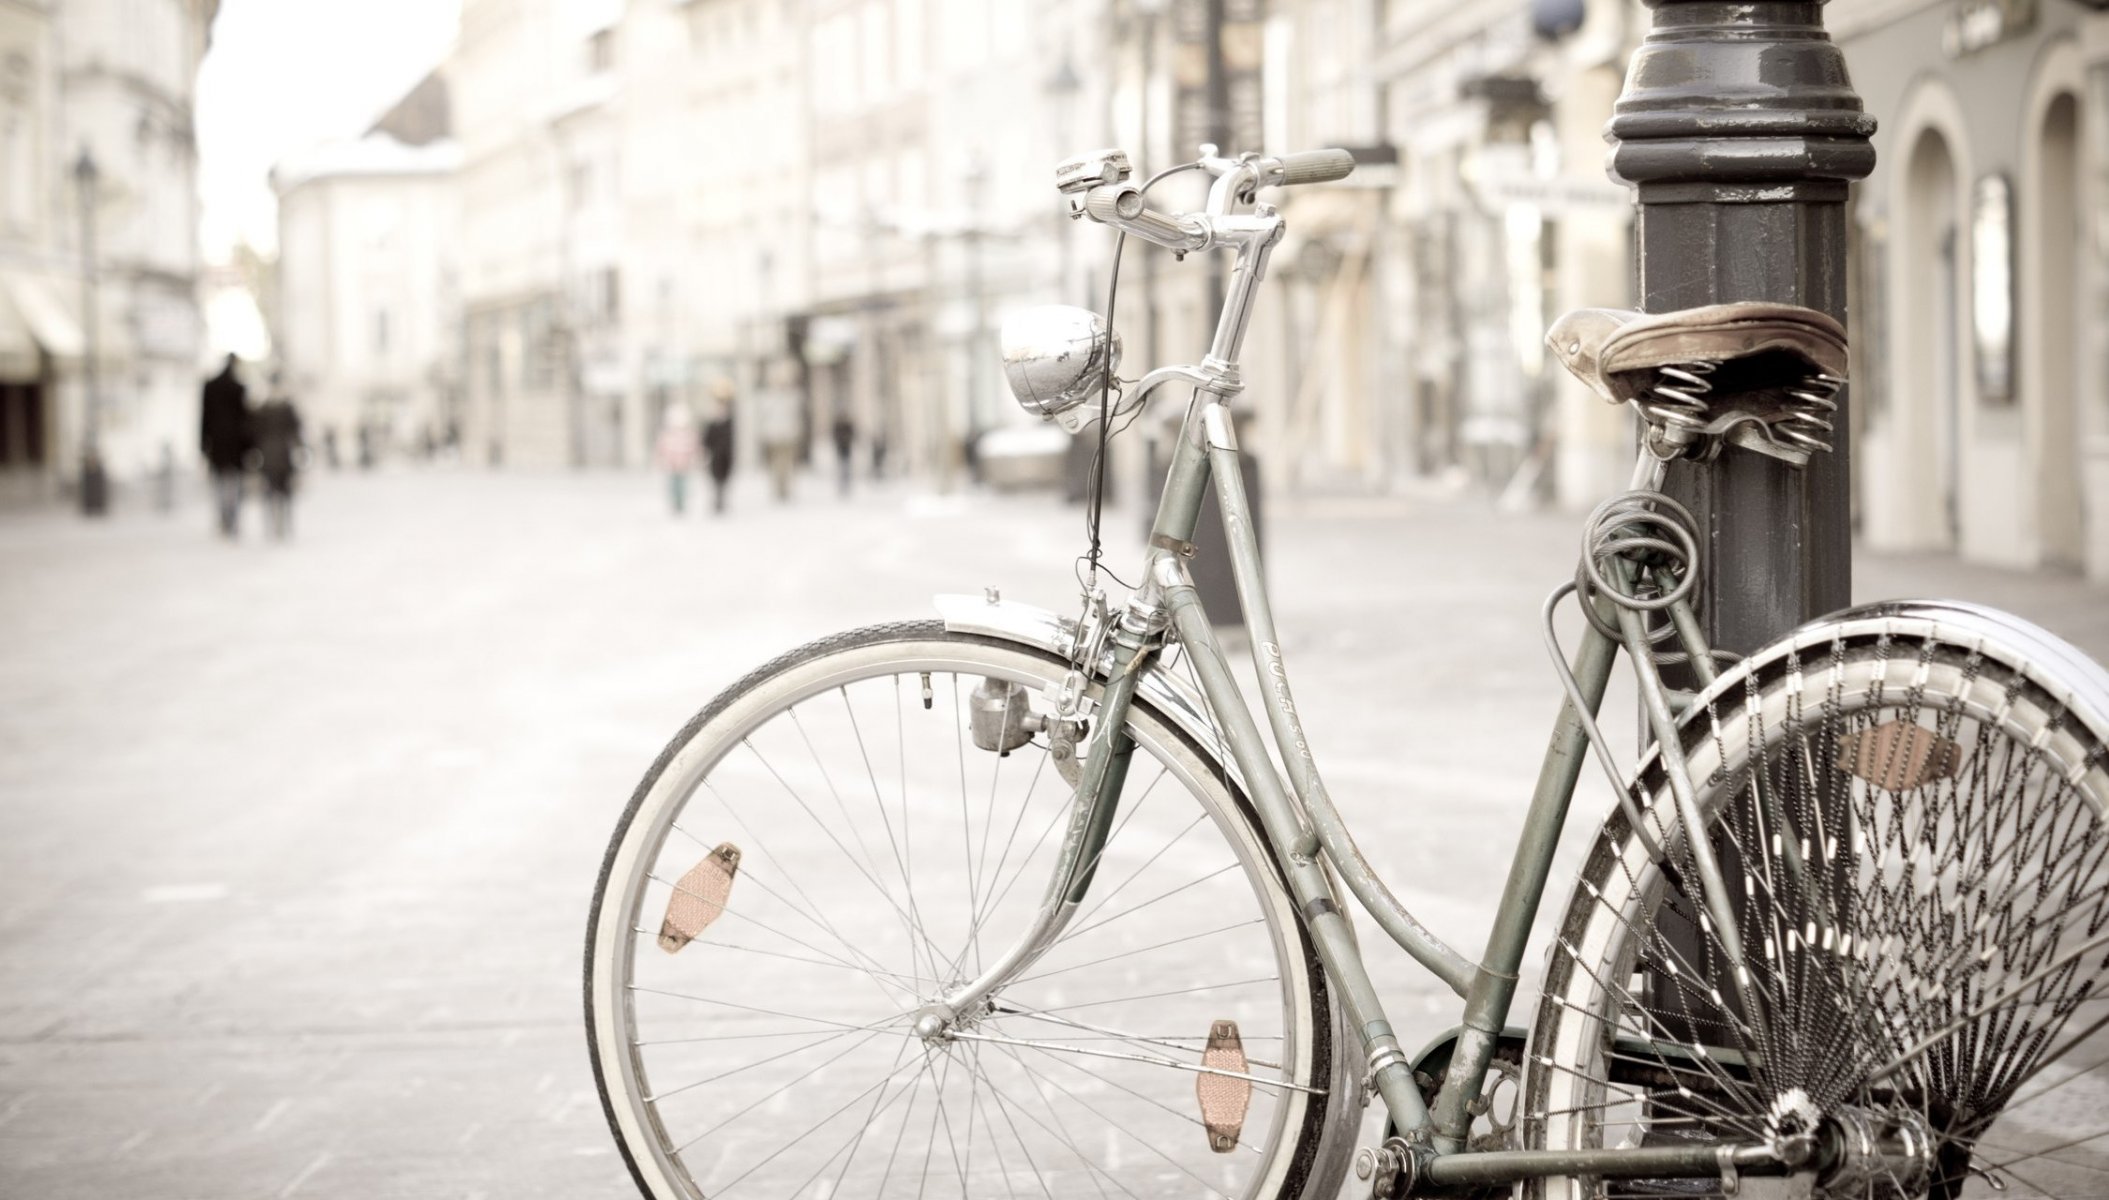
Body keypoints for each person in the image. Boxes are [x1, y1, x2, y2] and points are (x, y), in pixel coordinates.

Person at [198, 354, 252, 538]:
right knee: (234, 485)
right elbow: (246, 420)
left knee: (220, 485)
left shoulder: (210, 386)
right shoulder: (238, 388)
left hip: (217, 446)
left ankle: (224, 519)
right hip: (235, 447)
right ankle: (232, 519)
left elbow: (204, 419)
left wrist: (202, 445)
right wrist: (250, 448)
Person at [251, 375, 304, 540]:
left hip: (272, 455)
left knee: (274, 492)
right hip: (280, 455)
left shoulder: (265, 407)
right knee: (281, 493)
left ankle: (276, 526)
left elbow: (255, 433)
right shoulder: (282, 407)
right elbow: (296, 432)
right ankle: (280, 526)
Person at [654, 404, 700, 515]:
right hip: (671, 465)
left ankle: (681, 503)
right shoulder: (667, 435)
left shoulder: (689, 434)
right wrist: (661, 460)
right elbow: (661, 448)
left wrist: (695, 458)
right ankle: (675, 503)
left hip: (684, 465)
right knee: (673, 486)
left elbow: (694, 448)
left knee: (682, 486)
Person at [701, 386, 736, 516]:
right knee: (715, 480)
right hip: (715, 457)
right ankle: (717, 500)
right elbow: (706, 440)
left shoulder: (730, 424)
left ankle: (721, 500)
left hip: (726, 457)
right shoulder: (712, 424)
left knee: (724, 480)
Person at [830, 410, 856, 497]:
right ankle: (841, 486)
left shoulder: (848, 425)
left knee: (846, 468)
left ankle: (846, 486)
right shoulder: (838, 426)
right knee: (841, 468)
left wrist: (847, 439)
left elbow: (853, 434)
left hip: (847, 449)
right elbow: (834, 435)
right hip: (840, 449)